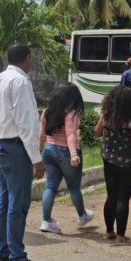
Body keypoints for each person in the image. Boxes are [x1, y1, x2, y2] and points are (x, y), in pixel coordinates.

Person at [0, 44, 46, 261]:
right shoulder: (20, 82)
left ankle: (3, 253)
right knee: (18, 205)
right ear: (27, 59)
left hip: (1, 144)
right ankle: (17, 259)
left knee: (5, 201)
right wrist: (36, 158)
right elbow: (26, 123)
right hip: (16, 147)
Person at [94, 85, 131, 244]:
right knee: (123, 199)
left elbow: (97, 132)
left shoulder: (107, 117)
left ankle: (109, 232)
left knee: (111, 196)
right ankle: (121, 236)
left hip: (110, 161)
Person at [39, 83, 94, 234]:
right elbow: (70, 135)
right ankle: (82, 216)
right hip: (66, 153)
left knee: (50, 186)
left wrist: (38, 152)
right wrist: (74, 155)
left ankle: (46, 221)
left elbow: (42, 135)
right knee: (74, 187)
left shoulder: (47, 112)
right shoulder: (71, 114)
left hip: (49, 151)